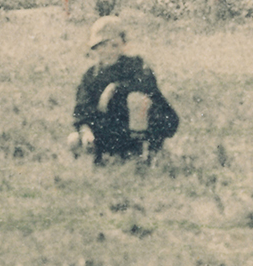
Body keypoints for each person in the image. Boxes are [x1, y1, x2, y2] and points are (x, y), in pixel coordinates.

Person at [70, 16, 179, 163]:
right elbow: (82, 108)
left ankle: (144, 153)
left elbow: (148, 85)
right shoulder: (91, 75)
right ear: (95, 48)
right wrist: (86, 130)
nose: (108, 51)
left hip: (141, 126)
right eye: (102, 46)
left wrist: (115, 87)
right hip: (111, 128)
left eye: (114, 45)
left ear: (124, 45)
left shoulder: (135, 65)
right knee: (74, 140)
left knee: (136, 98)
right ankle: (105, 159)